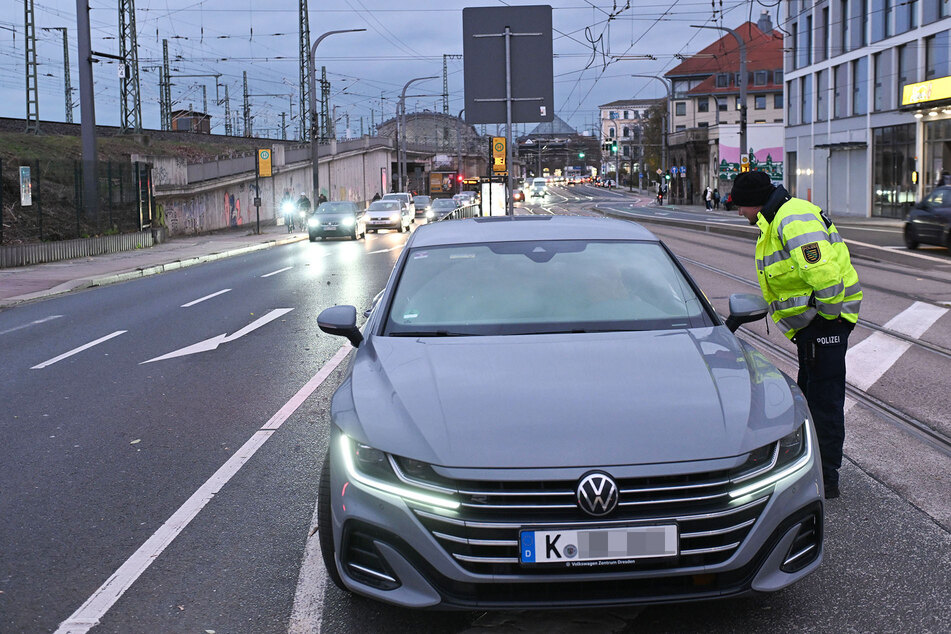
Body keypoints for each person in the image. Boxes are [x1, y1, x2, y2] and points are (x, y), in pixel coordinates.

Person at [730, 171, 863, 500]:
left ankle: (826, 478)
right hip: (813, 327)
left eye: (739, 206)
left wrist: (826, 322)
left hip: (824, 325)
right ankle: (815, 468)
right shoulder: (778, 219)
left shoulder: (792, 221)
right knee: (811, 396)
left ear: (753, 203)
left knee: (822, 402)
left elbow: (826, 276)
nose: (738, 213)